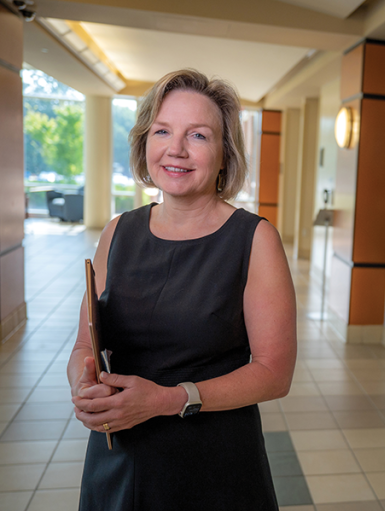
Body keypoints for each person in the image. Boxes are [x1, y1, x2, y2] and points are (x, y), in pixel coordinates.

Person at [67, 69, 297, 510]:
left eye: (198, 135)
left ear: (225, 154)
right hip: (119, 461)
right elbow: (84, 344)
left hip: (214, 465)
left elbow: (274, 373)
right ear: (144, 143)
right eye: (163, 131)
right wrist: (83, 382)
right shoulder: (118, 232)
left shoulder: (254, 238)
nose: (176, 149)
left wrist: (168, 400)